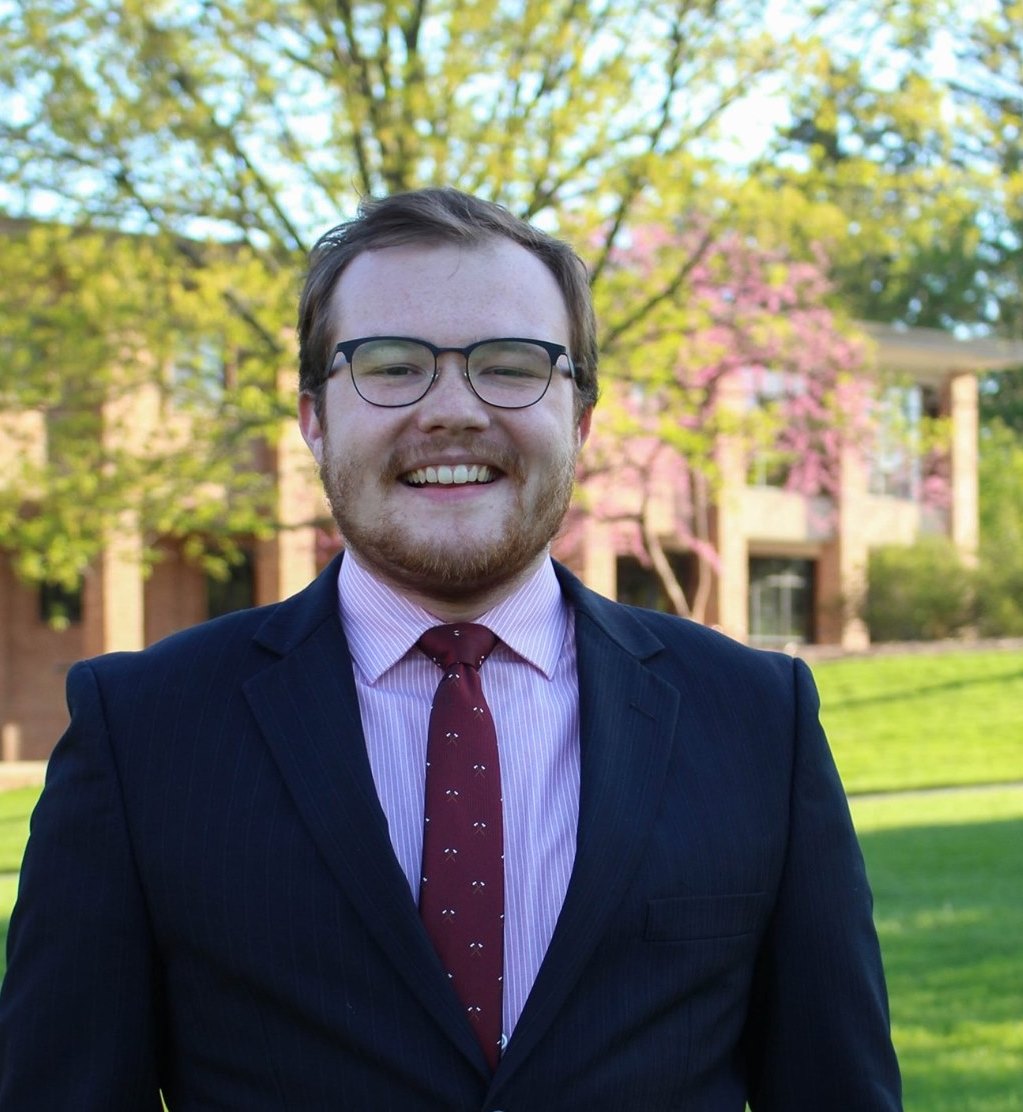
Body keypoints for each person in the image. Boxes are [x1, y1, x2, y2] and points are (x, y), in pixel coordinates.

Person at [0, 187, 902, 1110]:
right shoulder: (144, 735)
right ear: (313, 417)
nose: (454, 410)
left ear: (582, 419)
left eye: (511, 365)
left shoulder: (757, 723)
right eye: (392, 367)